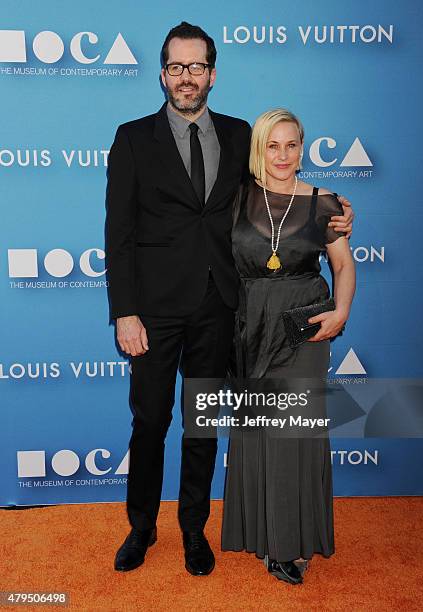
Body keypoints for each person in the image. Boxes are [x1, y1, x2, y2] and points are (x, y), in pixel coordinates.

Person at [105, 22, 354, 576]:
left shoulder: (243, 135)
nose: (186, 77)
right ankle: (141, 527)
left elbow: (281, 189)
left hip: (222, 307)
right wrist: (124, 311)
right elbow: (117, 234)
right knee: (149, 422)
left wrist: (332, 213)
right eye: (176, 67)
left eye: (197, 67)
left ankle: (194, 530)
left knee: (202, 424)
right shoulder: (131, 138)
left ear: (212, 75)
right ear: (163, 74)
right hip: (153, 310)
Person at [221, 109, 356, 585]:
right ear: (261, 147)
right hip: (248, 324)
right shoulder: (233, 198)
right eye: (273, 145)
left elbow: (342, 265)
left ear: (303, 146)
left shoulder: (325, 202)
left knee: (292, 430)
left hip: (304, 325)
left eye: (292, 144)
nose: (283, 155)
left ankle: (289, 544)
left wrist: (339, 314)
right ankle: (260, 530)